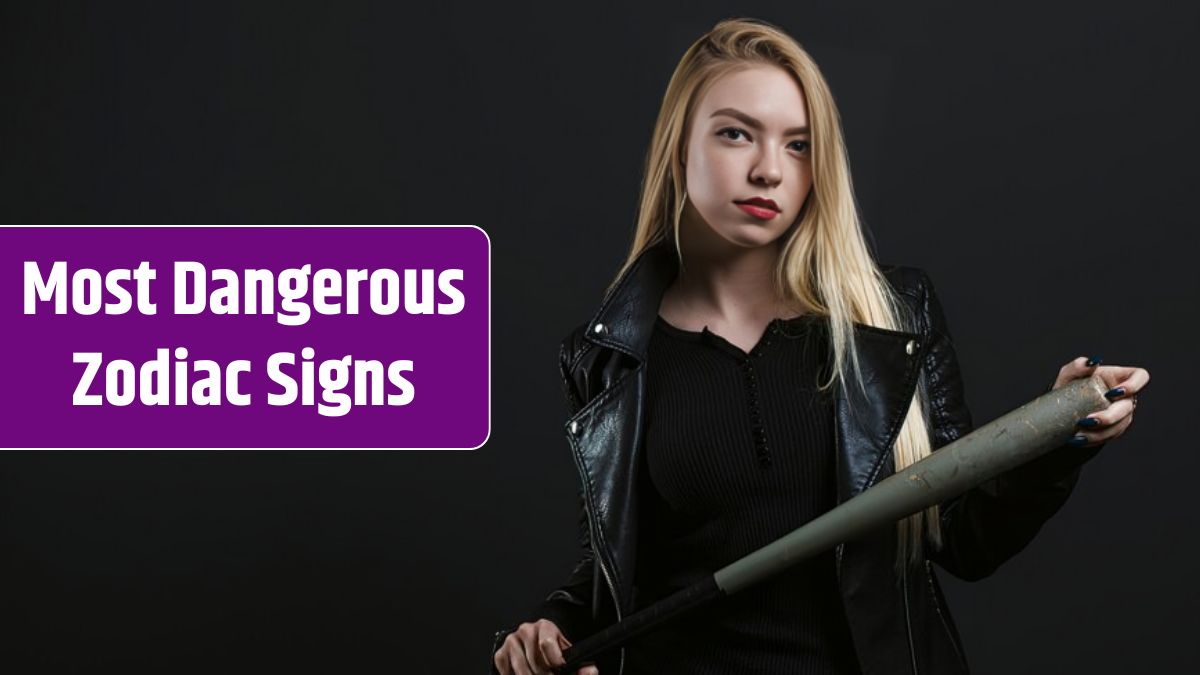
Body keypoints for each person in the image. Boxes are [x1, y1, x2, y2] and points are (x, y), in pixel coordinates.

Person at [490, 17, 1149, 675]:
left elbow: (962, 535)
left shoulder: (892, 317)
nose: (768, 169)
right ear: (677, 148)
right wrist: (552, 627)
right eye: (735, 134)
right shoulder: (606, 355)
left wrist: (1055, 438)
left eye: (799, 145)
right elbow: (610, 572)